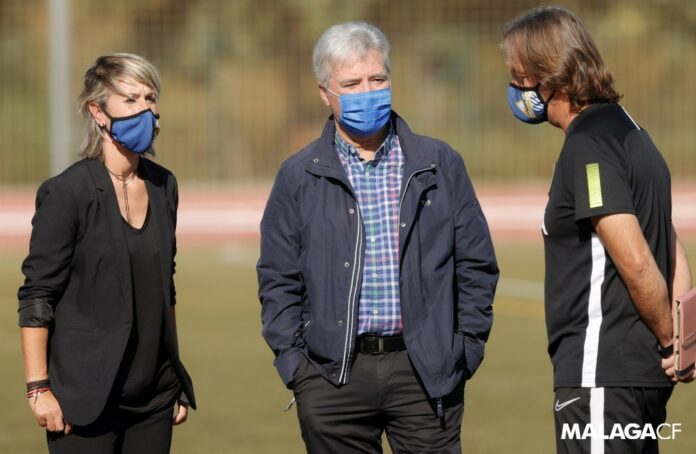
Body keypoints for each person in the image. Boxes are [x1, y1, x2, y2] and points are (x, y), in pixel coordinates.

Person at [257, 21, 498, 453]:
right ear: (324, 93)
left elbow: (476, 262)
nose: (368, 91)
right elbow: (278, 277)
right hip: (333, 376)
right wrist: (297, 368)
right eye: (351, 83)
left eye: (378, 79)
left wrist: (466, 349)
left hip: (426, 372)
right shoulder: (298, 175)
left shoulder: (439, 163)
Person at [500, 6, 692, 453]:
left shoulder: (588, 146)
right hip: (637, 379)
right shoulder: (633, 133)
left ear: (549, 77)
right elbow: (671, 244)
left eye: (518, 76)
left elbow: (637, 259)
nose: (514, 89)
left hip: (601, 377)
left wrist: (669, 340)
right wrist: (683, 340)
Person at [17, 53, 196, 454]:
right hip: (82, 400)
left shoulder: (164, 185)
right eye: (130, 100)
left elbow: (164, 288)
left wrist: (175, 379)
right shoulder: (67, 192)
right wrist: (38, 388)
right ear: (98, 113)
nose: (145, 109)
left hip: (154, 398)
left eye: (150, 98)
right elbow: (36, 295)